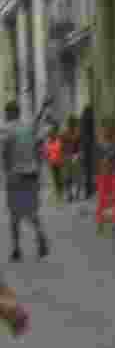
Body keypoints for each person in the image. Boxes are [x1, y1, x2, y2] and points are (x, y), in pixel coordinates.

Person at [1, 100, 49, 261]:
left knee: (15, 213)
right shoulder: (27, 127)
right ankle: (40, 234)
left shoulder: (6, 129)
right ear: (19, 113)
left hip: (15, 175)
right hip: (32, 174)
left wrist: (7, 171)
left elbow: (5, 152)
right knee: (31, 210)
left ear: (8, 113)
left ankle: (16, 249)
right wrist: (43, 108)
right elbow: (38, 128)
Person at [95, 119, 115, 232]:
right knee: (104, 198)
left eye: (108, 129)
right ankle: (101, 220)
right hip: (106, 173)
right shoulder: (102, 144)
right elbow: (100, 158)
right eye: (105, 129)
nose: (106, 131)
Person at [62, 116, 82, 202]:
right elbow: (62, 146)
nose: (71, 125)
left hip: (74, 156)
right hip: (69, 156)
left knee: (76, 177)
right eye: (71, 123)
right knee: (69, 177)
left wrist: (79, 154)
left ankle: (75, 194)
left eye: (72, 123)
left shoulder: (76, 134)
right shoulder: (66, 134)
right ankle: (70, 194)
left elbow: (80, 145)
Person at [44, 127, 65, 204]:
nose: (51, 136)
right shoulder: (48, 143)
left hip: (59, 163)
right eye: (50, 135)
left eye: (52, 134)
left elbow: (62, 151)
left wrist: (62, 160)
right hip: (52, 163)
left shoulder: (58, 141)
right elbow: (46, 154)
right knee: (54, 179)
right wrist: (47, 159)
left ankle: (60, 194)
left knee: (59, 179)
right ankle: (57, 195)